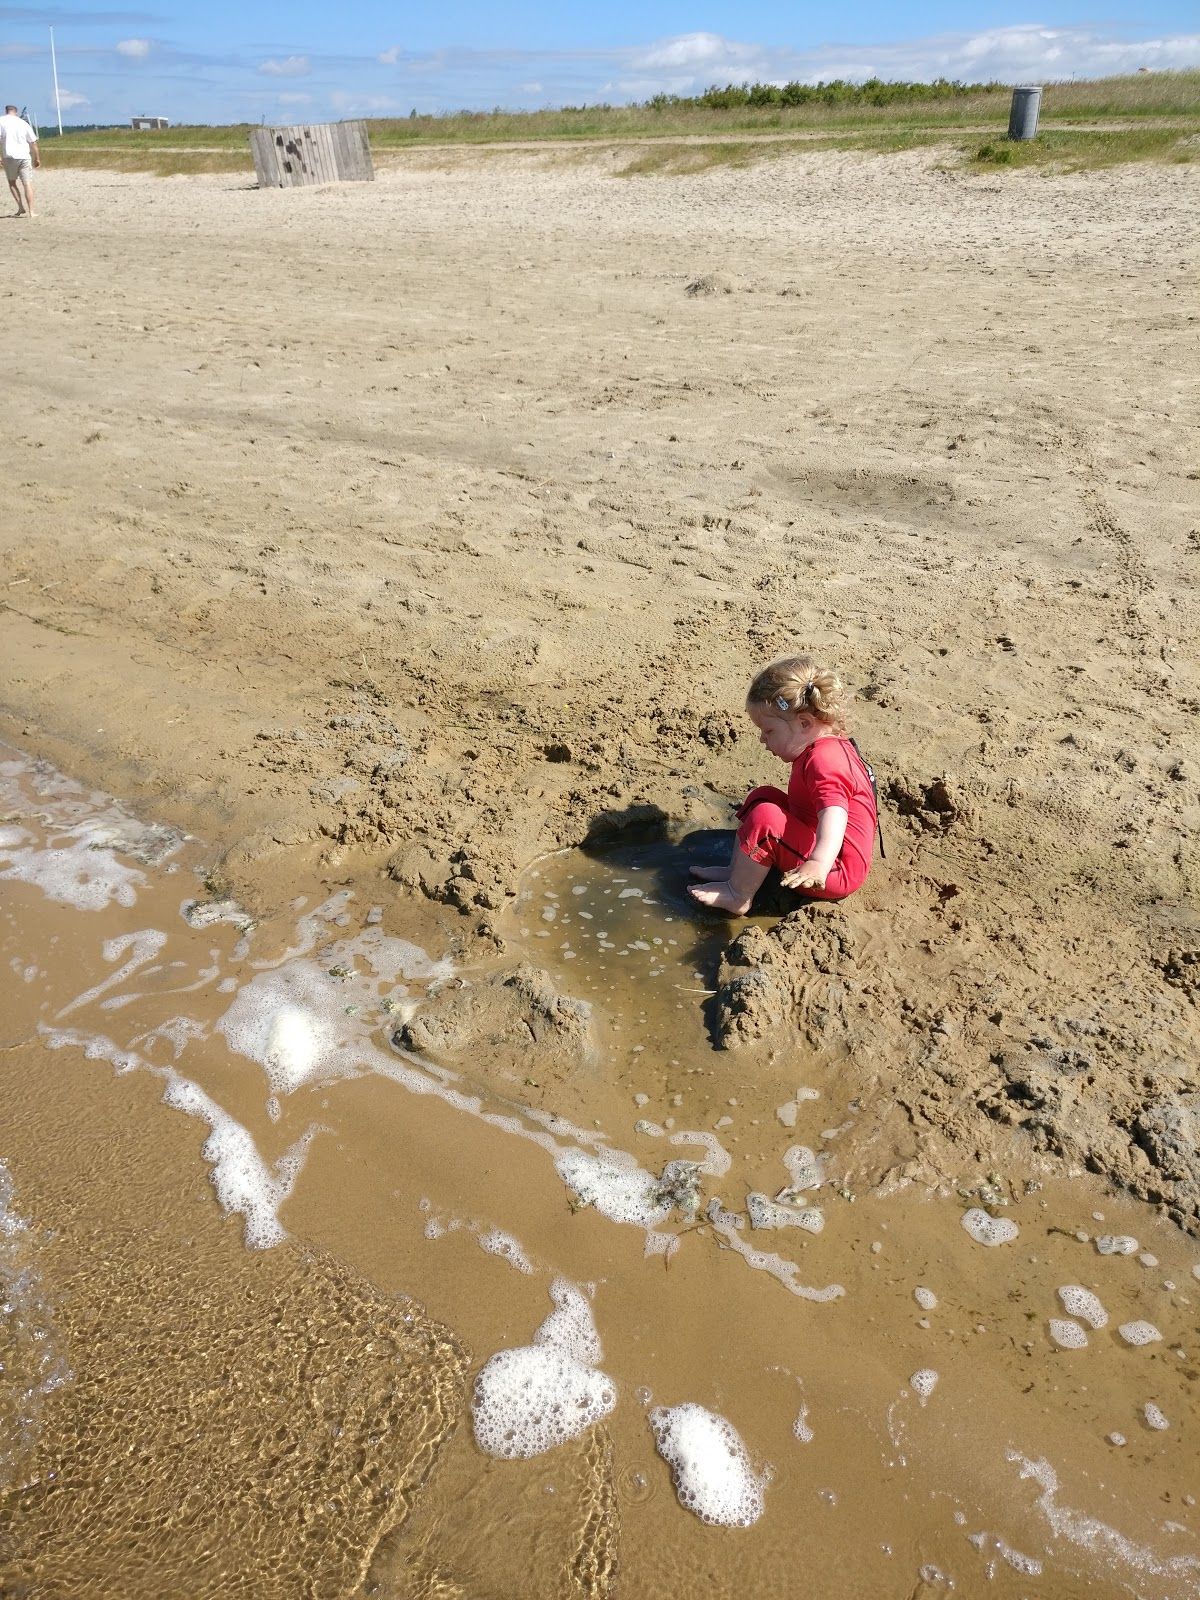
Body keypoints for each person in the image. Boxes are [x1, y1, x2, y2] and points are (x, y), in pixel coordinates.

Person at [688, 654, 878, 914]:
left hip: (835, 870)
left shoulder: (825, 761)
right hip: (819, 842)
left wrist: (818, 863)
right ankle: (737, 871)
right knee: (763, 796)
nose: (762, 740)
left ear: (804, 723)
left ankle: (738, 894)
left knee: (766, 819)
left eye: (769, 731)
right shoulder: (821, 744)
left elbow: (835, 814)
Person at [1, 104, 40, 218]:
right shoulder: (23, 123)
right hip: (24, 156)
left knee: (12, 182)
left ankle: (20, 206)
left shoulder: (1, 121)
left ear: (6, 111)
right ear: (16, 112)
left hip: (9, 157)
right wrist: (37, 158)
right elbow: (33, 142)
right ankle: (31, 211)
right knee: (27, 183)